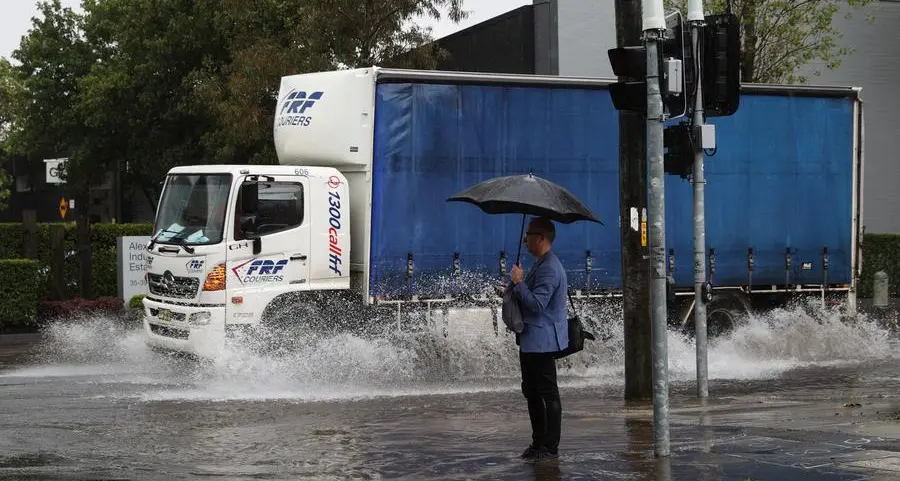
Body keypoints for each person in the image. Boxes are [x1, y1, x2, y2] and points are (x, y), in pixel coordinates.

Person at [509, 216, 569, 461]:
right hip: (531, 340)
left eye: (529, 236)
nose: (525, 241)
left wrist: (519, 283)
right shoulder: (541, 263)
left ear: (541, 238)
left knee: (547, 394)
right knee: (531, 392)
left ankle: (549, 447)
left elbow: (537, 304)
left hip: (542, 341)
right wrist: (512, 289)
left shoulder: (550, 268)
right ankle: (537, 443)